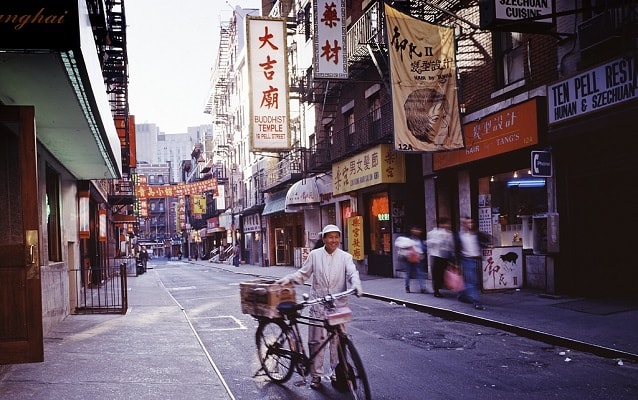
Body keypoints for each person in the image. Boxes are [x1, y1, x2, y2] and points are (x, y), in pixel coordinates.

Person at [275, 224, 363, 390]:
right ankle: (316, 375)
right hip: (318, 304)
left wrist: (356, 285)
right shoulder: (315, 255)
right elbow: (303, 274)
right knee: (317, 342)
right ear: (323, 239)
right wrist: (289, 279)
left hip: (338, 306)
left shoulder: (345, 257)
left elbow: (352, 273)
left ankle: (337, 373)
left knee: (339, 342)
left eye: (336, 237)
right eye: (330, 237)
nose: (334, 240)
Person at [454, 217, 486, 310]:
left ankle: (461, 295)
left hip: (477, 259)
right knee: (472, 281)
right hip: (466, 259)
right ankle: (477, 302)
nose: (469, 224)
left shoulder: (476, 234)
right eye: (467, 223)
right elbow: (456, 249)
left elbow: (487, 240)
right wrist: (456, 263)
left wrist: (486, 245)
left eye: (471, 222)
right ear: (463, 224)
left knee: (471, 280)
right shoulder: (460, 235)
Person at [426, 217, 454, 298]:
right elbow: (429, 243)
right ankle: (436, 290)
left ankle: (442, 286)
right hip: (436, 255)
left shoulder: (448, 233)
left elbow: (451, 245)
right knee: (436, 273)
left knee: (443, 273)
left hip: (445, 255)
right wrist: (442, 240)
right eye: (445, 223)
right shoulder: (432, 233)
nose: (447, 225)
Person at [395, 226, 427, 294]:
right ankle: (407, 287)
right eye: (415, 230)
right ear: (412, 231)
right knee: (408, 274)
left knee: (420, 273)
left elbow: (422, 249)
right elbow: (403, 247)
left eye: (418, 230)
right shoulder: (408, 240)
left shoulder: (420, 240)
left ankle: (422, 287)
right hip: (408, 259)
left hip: (418, 259)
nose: (417, 231)